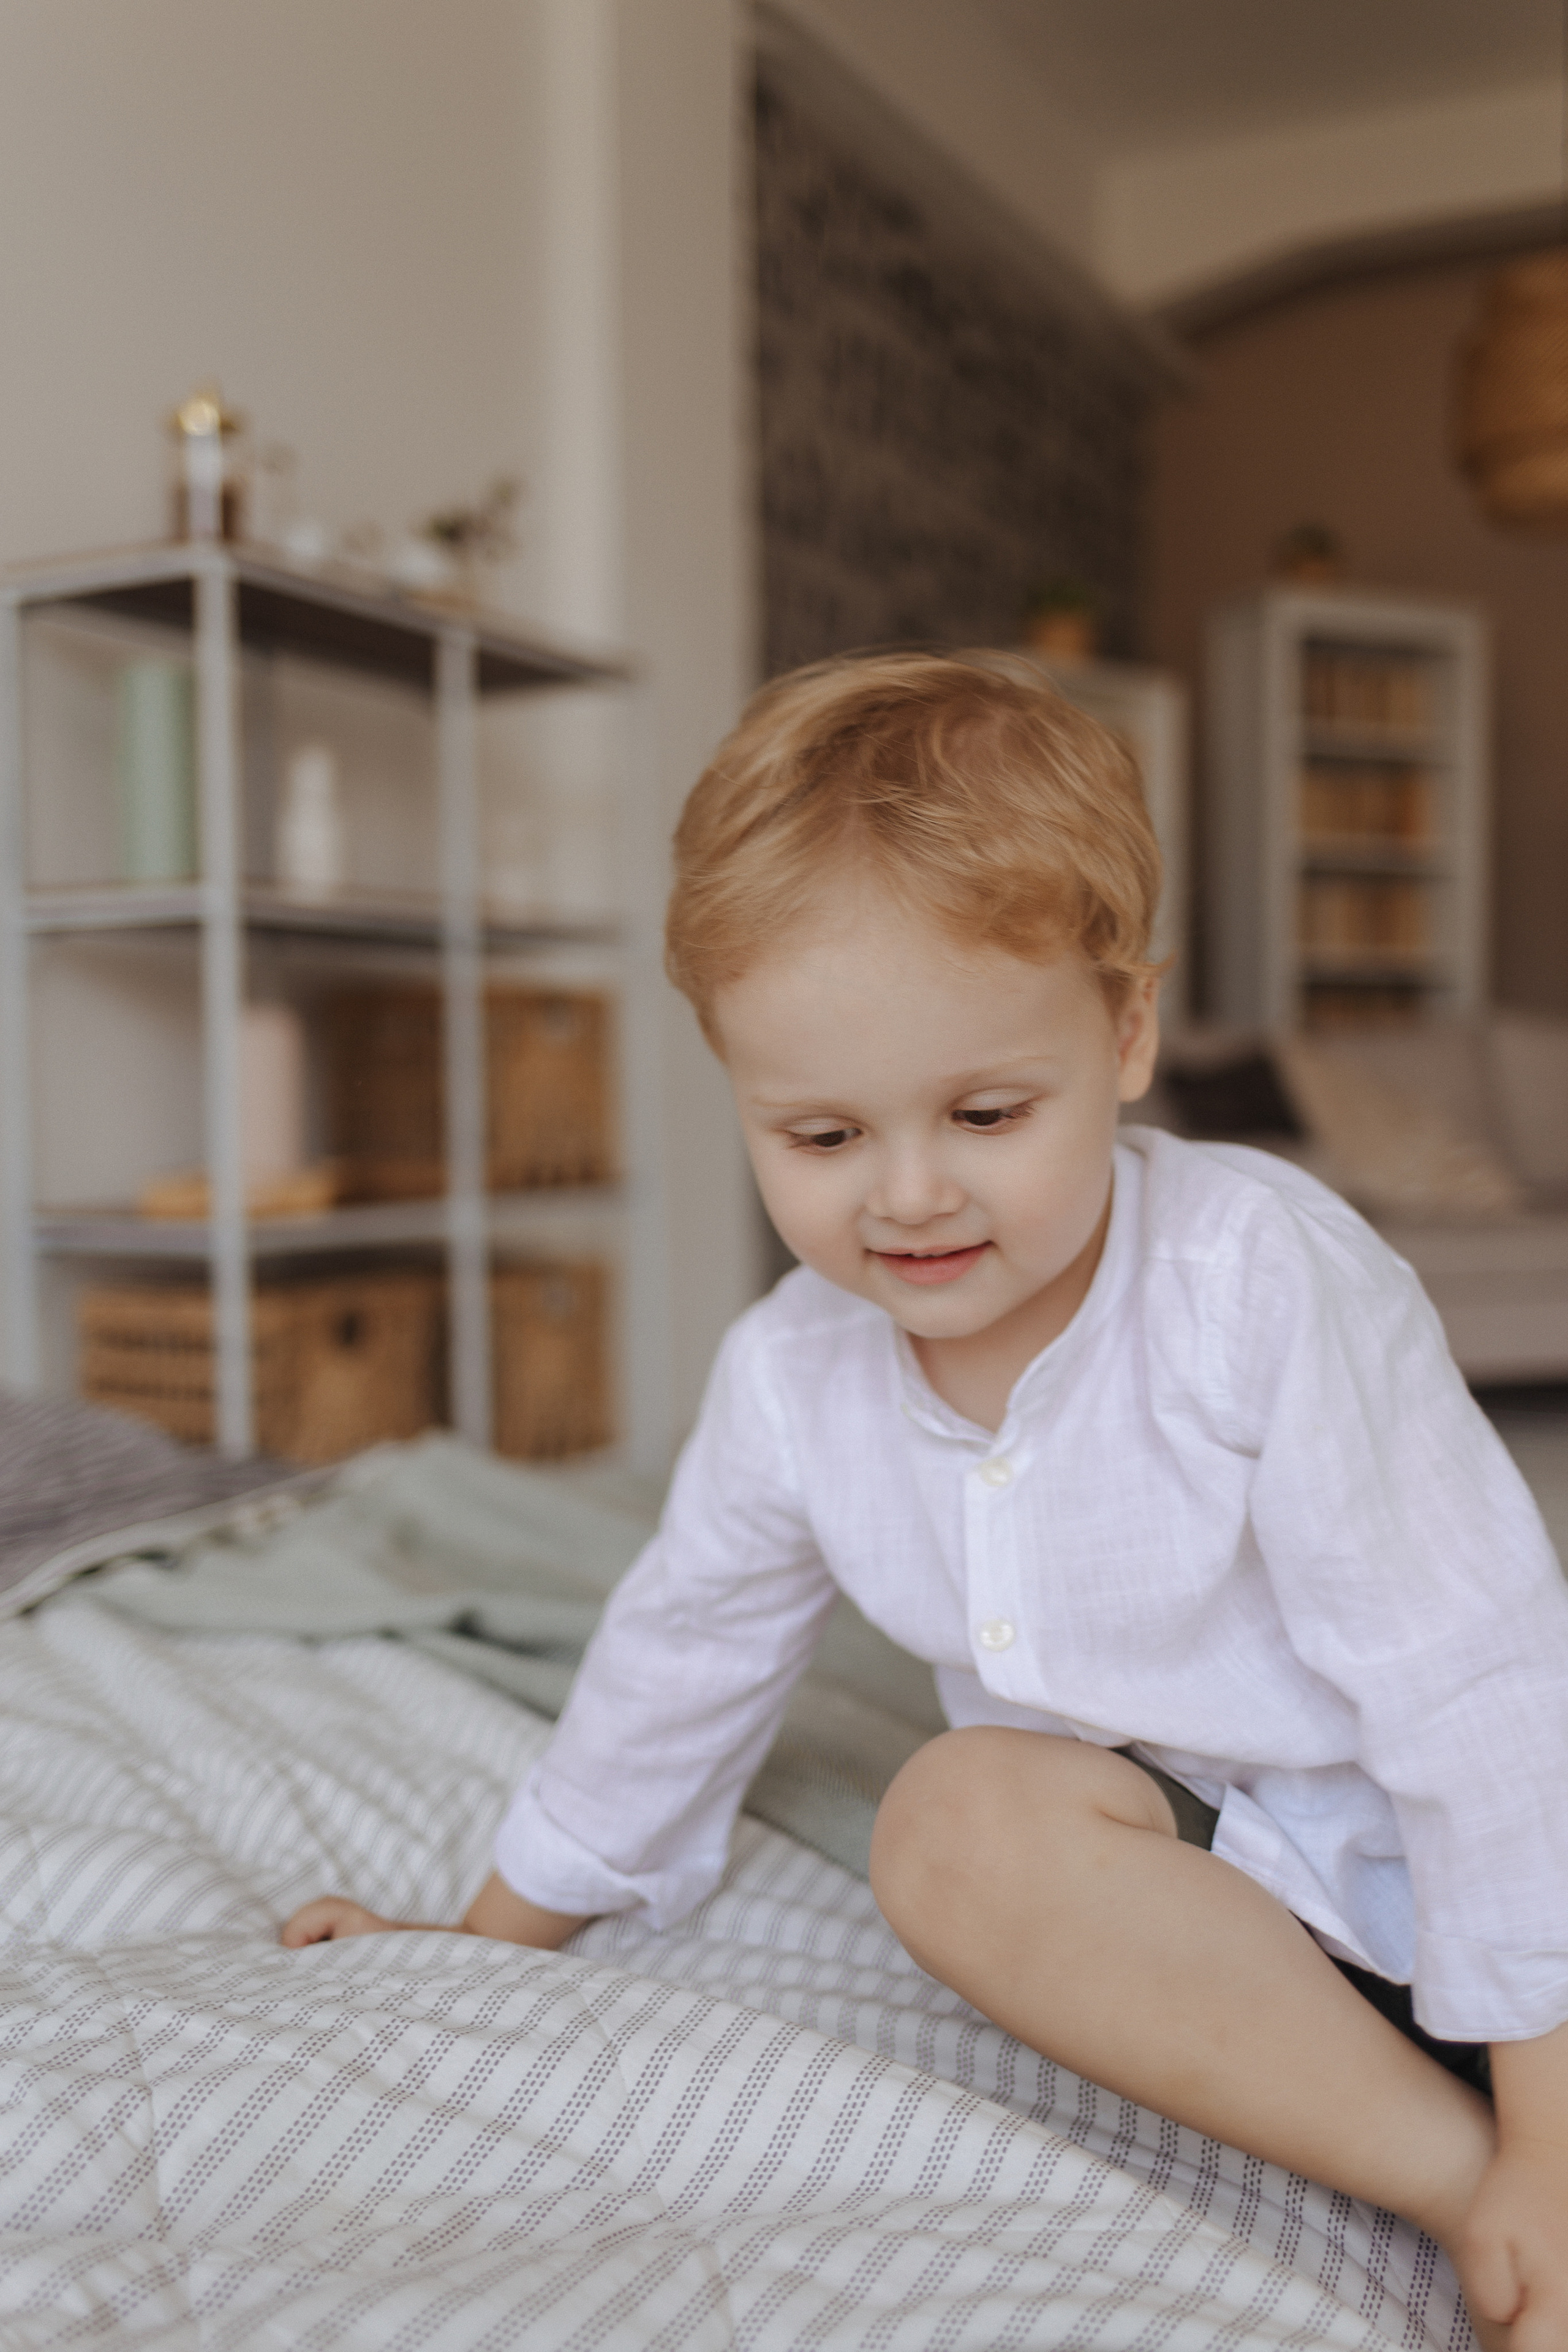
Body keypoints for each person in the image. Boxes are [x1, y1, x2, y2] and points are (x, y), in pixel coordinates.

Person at [283, 653, 1568, 2349]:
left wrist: (1552, 2116)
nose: (908, 1196)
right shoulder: (791, 1378)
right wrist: (482, 1941)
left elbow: (1473, 1688)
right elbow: (681, 1662)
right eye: (821, 1136)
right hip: (1233, 1923)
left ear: (1124, 1032)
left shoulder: (1259, 1282)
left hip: (1478, 1890)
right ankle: (1449, 2179)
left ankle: (1524, 2157)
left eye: (984, 1113)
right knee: (949, 1821)